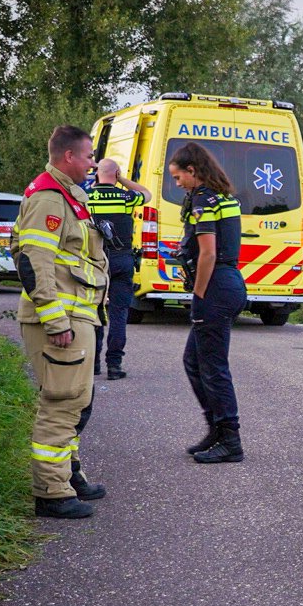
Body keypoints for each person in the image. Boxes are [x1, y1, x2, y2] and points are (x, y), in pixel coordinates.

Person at [12, 125, 107, 518]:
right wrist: (55, 322)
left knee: (76, 402)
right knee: (61, 402)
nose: (93, 163)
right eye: (88, 157)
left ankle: (66, 474)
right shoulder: (50, 199)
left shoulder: (70, 195)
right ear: (69, 156)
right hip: (61, 319)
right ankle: (51, 492)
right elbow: (35, 263)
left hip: (77, 315)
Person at [170, 142, 247, 464]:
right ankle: (216, 429)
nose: (177, 184)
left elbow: (209, 253)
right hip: (227, 284)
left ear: (193, 171)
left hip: (215, 287)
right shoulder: (223, 196)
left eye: (178, 177)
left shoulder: (203, 200)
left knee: (213, 367)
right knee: (194, 361)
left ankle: (230, 440)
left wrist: (198, 295)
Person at [85, 158, 151, 381]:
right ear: (116, 174)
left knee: (94, 312)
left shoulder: (88, 197)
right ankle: (114, 365)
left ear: (97, 174)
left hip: (95, 261)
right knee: (119, 313)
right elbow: (147, 193)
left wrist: (96, 182)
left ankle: (93, 363)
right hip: (122, 260)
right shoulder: (126, 197)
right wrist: (121, 179)